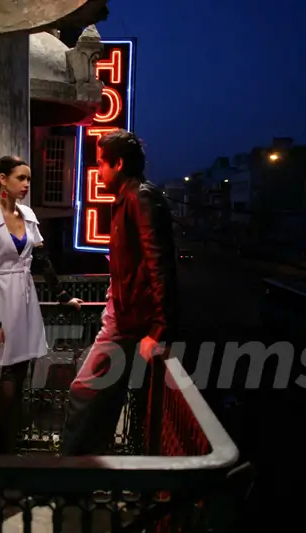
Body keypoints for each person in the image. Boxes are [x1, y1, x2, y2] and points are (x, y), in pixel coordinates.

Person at [61, 130, 178, 456]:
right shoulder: (130, 199)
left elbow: (159, 265)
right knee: (103, 398)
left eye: (101, 163)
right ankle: (86, 472)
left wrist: (158, 329)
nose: (98, 170)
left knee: (84, 392)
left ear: (119, 163)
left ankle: (67, 474)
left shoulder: (140, 198)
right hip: (123, 317)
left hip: (128, 323)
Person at [0, 155, 83, 455]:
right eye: (21, 178)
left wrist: (63, 297)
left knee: (19, 377)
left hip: (25, 298)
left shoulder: (28, 215)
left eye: (29, 179)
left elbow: (43, 262)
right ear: (3, 180)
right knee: (7, 379)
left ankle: (7, 450)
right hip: (0, 294)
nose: (27, 184)